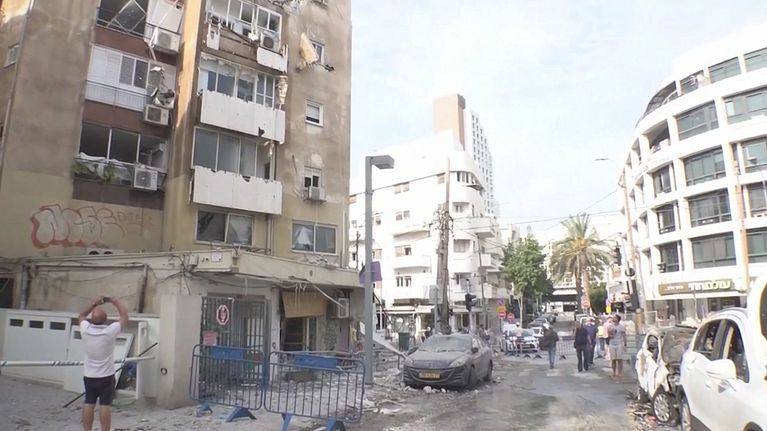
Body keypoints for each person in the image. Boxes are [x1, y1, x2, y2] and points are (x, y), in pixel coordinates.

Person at [78, 296, 128, 431]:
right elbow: (124, 316)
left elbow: (81, 315)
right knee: (105, 405)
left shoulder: (85, 329)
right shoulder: (109, 331)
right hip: (106, 376)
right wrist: (115, 302)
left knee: (89, 403)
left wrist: (94, 303)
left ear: (91, 319)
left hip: (89, 375)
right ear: (106, 320)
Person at [608, 314, 628, 379]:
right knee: (613, 359)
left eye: (615, 318)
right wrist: (611, 335)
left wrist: (625, 344)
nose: (613, 319)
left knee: (619, 359)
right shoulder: (610, 327)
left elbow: (624, 335)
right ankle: (614, 372)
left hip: (619, 343)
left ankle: (620, 373)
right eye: (613, 318)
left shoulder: (621, 327)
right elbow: (608, 335)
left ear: (618, 319)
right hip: (612, 343)